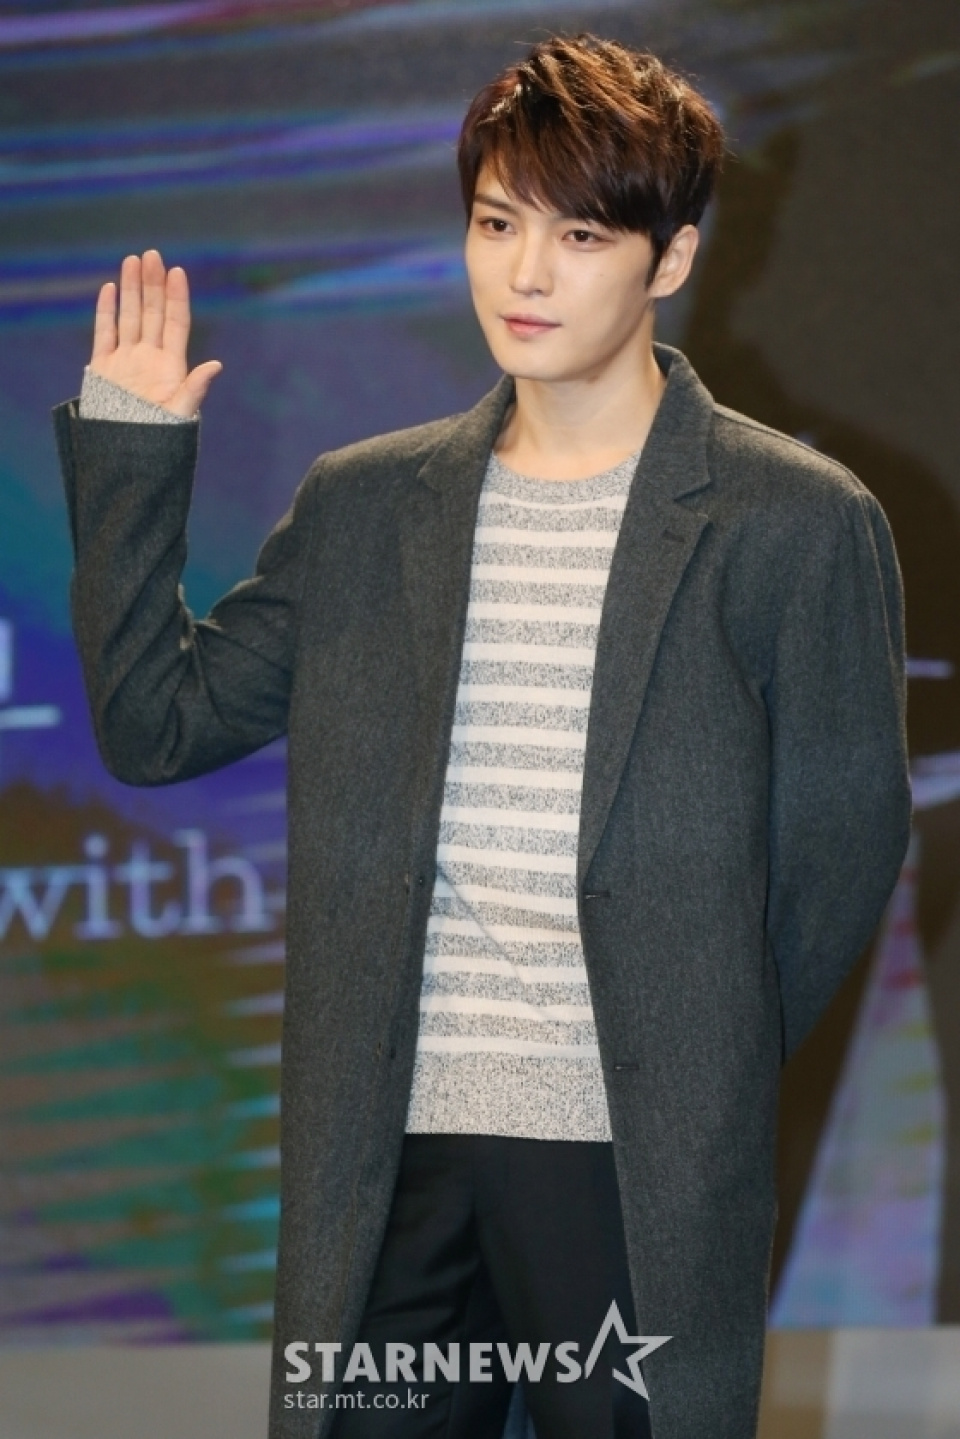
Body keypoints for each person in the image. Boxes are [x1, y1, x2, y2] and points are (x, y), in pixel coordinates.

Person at [51, 33, 910, 1439]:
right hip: (388, 1162)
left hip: (625, 1170)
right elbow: (158, 724)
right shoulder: (368, 506)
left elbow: (840, 848)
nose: (527, 274)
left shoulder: (793, 522)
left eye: (581, 235)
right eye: (499, 224)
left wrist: (694, 1044)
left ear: (671, 260)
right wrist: (133, 454)